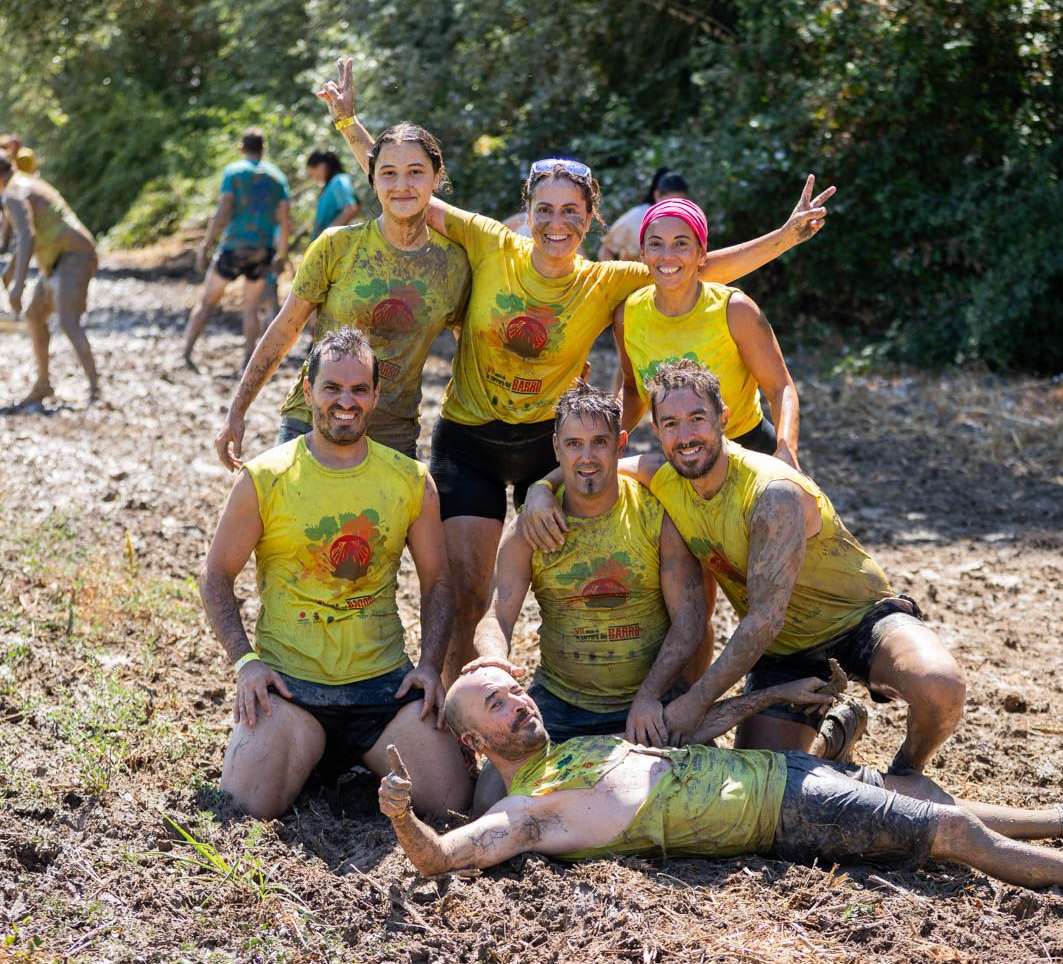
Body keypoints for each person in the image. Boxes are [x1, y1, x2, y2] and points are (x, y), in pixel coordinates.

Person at [318, 57, 834, 683]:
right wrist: (350, 125)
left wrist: (784, 235)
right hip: (470, 438)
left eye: (571, 212)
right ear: (527, 211)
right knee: (467, 593)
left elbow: (696, 265)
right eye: (545, 209)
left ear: (591, 220)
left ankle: (592, 695)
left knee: (574, 587)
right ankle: (455, 718)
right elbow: (405, 186)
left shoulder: (607, 280)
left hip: (549, 444)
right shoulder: (488, 241)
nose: (556, 222)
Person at [376, 667, 1063, 905]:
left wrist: (772, 700)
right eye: (497, 702)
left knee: (917, 798)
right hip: (782, 813)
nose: (519, 700)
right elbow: (445, 860)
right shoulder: (529, 810)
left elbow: (691, 729)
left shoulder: (582, 748)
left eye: (516, 689)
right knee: (951, 837)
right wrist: (408, 823)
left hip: (773, 771)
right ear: (470, 739)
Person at [522, 361, 966, 776]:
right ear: (656, 431)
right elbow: (592, 464)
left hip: (858, 621)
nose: (686, 435)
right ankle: (836, 741)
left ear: (724, 418)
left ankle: (907, 772)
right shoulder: (664, 475)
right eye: (671, 424)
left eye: (697, 418)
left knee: (940, 685)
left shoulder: (772, 492)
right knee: (765, 775)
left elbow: (764, 618)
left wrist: (698, 699)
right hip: (783, 654)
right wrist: (541, 488)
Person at [200, 327, 472, 819]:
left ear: (375, 396)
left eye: (359, 389)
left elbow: (438, 583)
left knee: (453, 805)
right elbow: (216, 575)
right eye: (332, 387)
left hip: (383, 689)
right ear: (308, 391)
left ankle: (343, 762)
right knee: (241, 808)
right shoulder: (265, 478)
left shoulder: (409, 480)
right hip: (290, 690)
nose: (345, 401)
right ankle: (305, 754)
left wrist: (429, 665)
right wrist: (246, 663)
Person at [467, 383, 708, 745]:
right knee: (492, 792)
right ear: (556, 448)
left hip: (650, 697)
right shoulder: (529, 527)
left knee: (702, 790)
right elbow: (497, 616)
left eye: (599, 442)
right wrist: (496, 664)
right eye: (574, 444)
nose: (587, 457)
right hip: (562, 701)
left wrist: (648, 696)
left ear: (620, 444)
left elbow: (689, 619)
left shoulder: (655, 514)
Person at [216, 123, 470, 464]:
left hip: (391, 433)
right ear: (373, 179)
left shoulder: (453, 264)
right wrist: (237, 410)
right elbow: (284, 329)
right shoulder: (337, 245)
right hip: (312, 423)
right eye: (389, 173)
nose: (401, 185)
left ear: (436, 178)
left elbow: (471, 349)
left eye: (415, 172)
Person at [617, 198, 800, 465]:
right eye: (656, 243)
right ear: (643, 253)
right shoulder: (628, 314)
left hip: (749, 451)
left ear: (701, 254)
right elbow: (633, 390)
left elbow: (780, 388)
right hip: (680, 458)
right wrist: (606, 439)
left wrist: (786, 451)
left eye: (681, 243)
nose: (667, 255)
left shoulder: (735, 310)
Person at [0, 151, 101, 406]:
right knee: (35, 315)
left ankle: (95, 391)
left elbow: (28, 236)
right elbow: (27, 237)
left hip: (73, 256)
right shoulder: (26, 182)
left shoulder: (13, 193)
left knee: (69, 322)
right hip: (57, 260)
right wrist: (11, 269)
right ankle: (43, 384)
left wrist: (18, 285)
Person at [184, 127, 295, 370]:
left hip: (234, 246)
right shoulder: (277, 177)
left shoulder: (234, 172)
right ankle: (248, 359)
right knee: (251, 306)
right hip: (262, 249)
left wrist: (206, 244)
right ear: (263, 148)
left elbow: (223, 210)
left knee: (207, 302)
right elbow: (285, 219)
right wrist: (282, 254)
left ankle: (187, 353)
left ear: (242, 148)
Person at [598, 168, 691, 262]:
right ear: (657, 196)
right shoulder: (634, 218)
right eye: (670, 203)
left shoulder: (686, 223)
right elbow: (606, 250)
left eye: (680, 204)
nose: (674, 208)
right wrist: (612, 275)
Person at [306, 149, 361, 239]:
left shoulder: (339, 181)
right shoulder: (331, 185)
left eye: (313, 174)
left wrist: (326, 236)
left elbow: (350, 209)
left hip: (333, 244)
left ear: (322, 165)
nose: (314, 178)